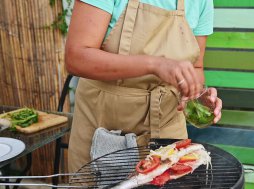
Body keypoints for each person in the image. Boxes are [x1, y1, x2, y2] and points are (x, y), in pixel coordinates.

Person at [65, 0, 223, 174]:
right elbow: (76, 58)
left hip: (167, 126)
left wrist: (197, 93)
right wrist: (154, 65)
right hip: (105, 125)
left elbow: (196, 67)